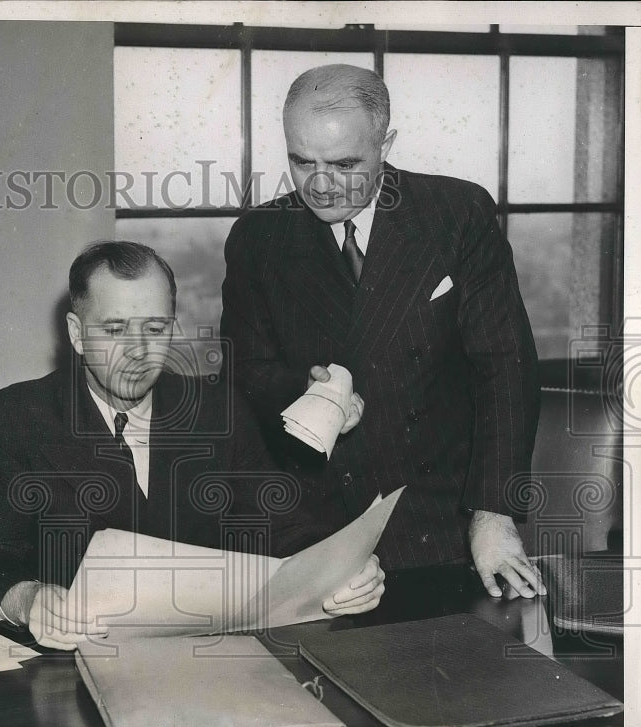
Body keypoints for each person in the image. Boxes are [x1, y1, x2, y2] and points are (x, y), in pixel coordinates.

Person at [0, 241, 384, 650]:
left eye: (155, 328)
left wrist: (344, 571)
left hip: (209, 658)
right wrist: (29, 599)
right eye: (116, 329)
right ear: (77, 333)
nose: (138, 352)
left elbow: (284, 528)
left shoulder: (217, 410)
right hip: (74, 662)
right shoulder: (20, 416)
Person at [220, 64, 545, 599]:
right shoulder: (259, 237)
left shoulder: (455, 214)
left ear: (385, 143)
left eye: (345, 163)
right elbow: (243, 375)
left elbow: (505, 368)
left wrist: (493, 513)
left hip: (442, 518)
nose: (320, 185)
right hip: (317, 526)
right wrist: (306, 390)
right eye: (302, 162)